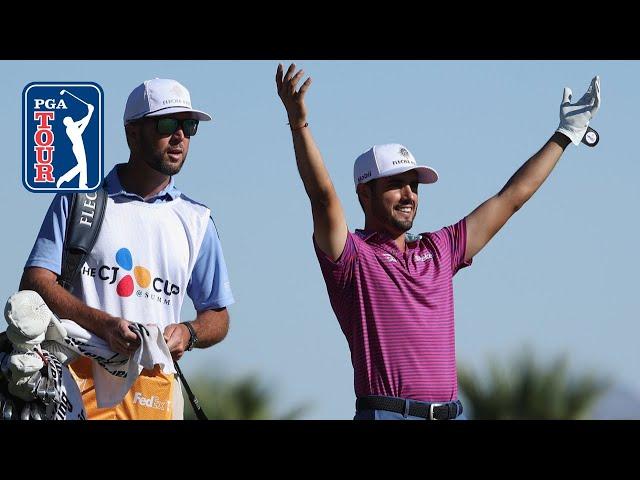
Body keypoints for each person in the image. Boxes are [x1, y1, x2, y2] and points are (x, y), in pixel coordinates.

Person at [275, 63, 600, 420]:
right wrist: (298, 124)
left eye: (414, 185)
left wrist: (564, 135)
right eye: (396, 184)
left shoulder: (440, 249)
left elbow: (510, 199)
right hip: (387, 414)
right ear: (364, 194)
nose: (408, 195)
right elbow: (322, 197)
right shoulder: (352, 257)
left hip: (452, 414)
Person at [19, 78, 235, 420]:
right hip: (77, 381)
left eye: (188, 125)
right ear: (132, 133)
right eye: (167, 124)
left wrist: (189, 333)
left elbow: (218, 316)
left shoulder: (197, 220)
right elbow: (35, 283)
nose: (180, 136)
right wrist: (103, 325)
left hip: (156, 390)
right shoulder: (78, 198)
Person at [56, 101, 94, 189]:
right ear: (67, 122)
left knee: (82, 165)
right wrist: (90, 112)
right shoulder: (70, 129)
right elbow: (83, 124)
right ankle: (66, 179)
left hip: (79, 146)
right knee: (82, 165)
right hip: (77, 147)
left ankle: (79, 183)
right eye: (70, 119)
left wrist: (90, 112)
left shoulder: (73, 126)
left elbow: (83, 122)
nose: (72, 120)